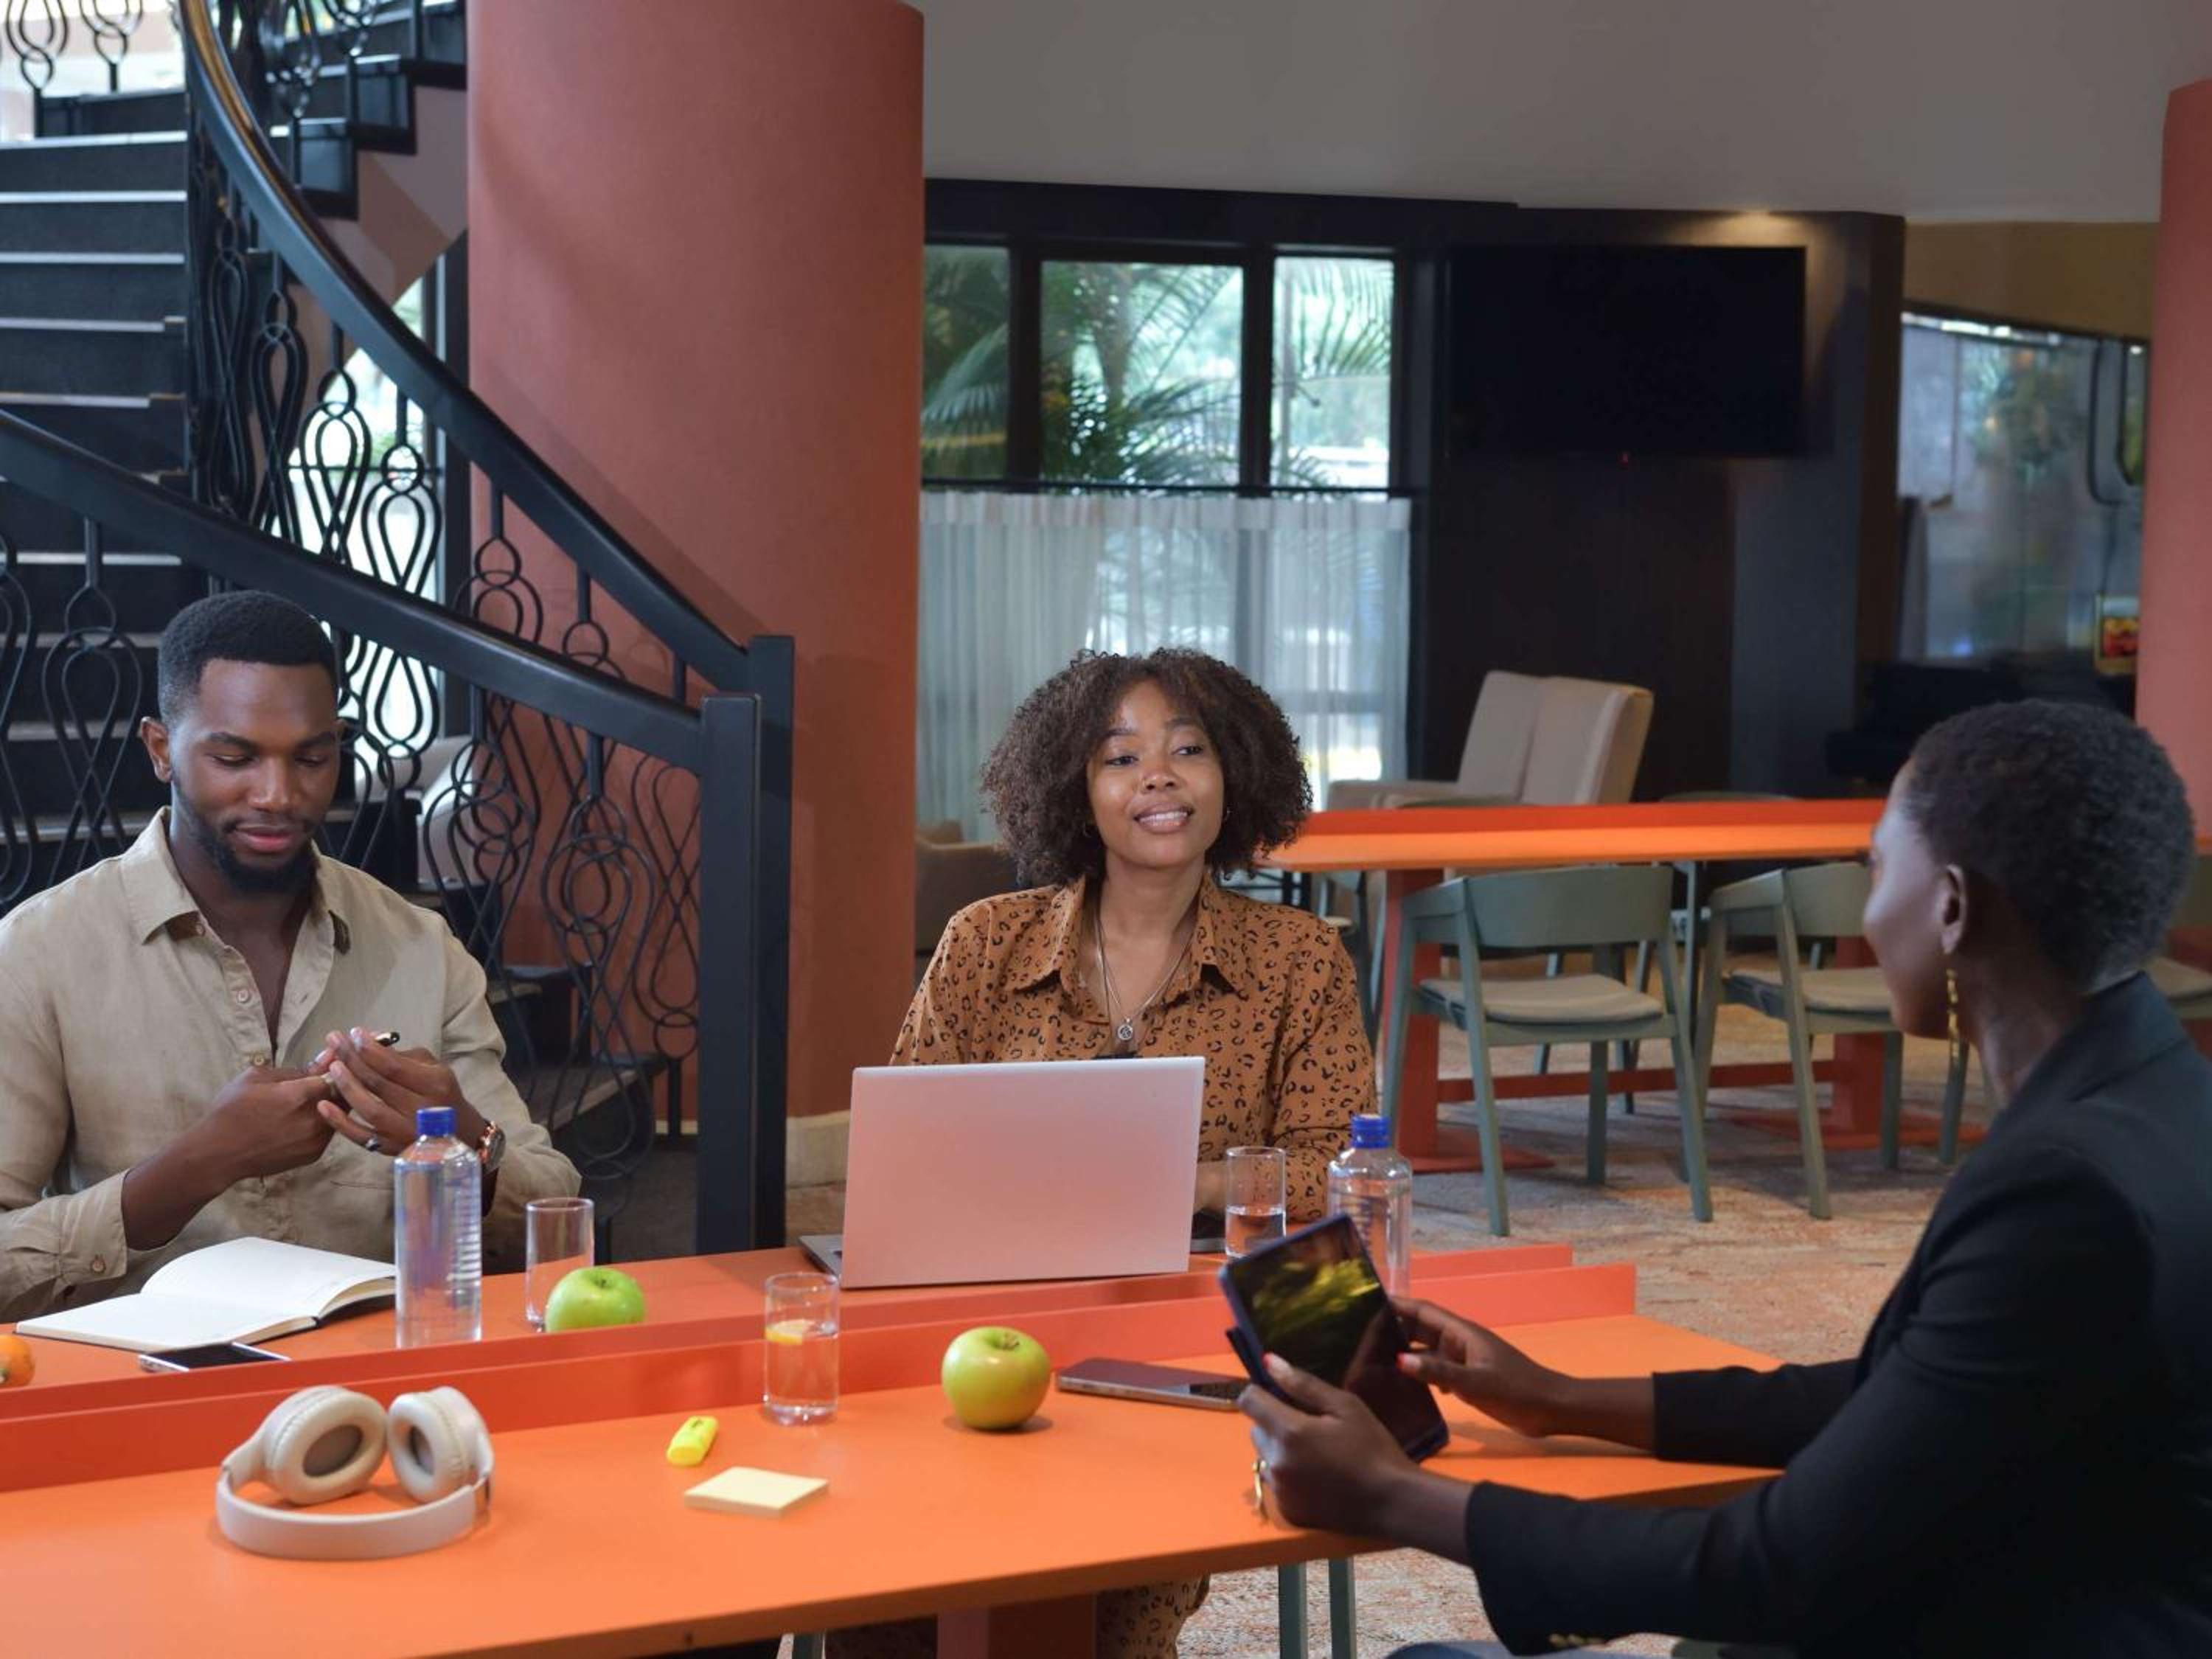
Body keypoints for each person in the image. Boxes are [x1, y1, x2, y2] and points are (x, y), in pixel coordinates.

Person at [1238, 698, 2212, 1658]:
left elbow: (1777, 1569)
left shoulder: (2062, 1193)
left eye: (1877, 867)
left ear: (1952, 907)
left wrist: (1392, 1495)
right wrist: (1559, 1398)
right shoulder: (2162, 1098)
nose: (1869, 911)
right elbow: (1906, 1393)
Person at [842, 647, 1373, 1659]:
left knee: (1115, 1596)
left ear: (1236, 774)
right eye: (1121, 758)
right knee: (882, 1585)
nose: (1158, 777)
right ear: (1076, 793)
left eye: (1189, 750)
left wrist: (1186, 1182)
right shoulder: (985, 941)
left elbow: (1338, 1169)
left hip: (1188, 1335)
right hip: (980, 1317)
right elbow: (901, 1150)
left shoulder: (1300, 961)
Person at [0, 591, 578, 1322]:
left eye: (311, 757)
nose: (278, 794)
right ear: (160, 749)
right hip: (150, 1380)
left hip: (385, 1372)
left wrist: (465, 1143)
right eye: (234, 757)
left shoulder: (420, 946)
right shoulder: (39, 953)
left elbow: (555, 1216)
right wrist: (200, 1163)